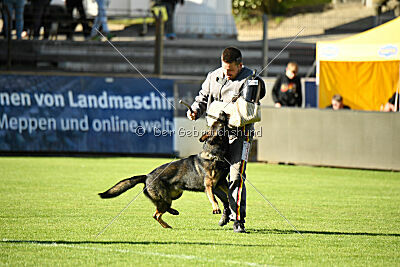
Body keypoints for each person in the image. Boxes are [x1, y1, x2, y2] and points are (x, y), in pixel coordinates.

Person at [187, 47, 265, 233]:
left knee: (236, 176)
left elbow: (259, 93)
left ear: (240, 65)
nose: (227, 74)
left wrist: (256, 85)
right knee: (214, 178)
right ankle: (227, 207)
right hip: (217, 138)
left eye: (230, 70)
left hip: (241, 135)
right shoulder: (213, 76)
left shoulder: (250, 79)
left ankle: (238, 220)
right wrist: (195, 109)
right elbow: (203, 97)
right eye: (224, 69)